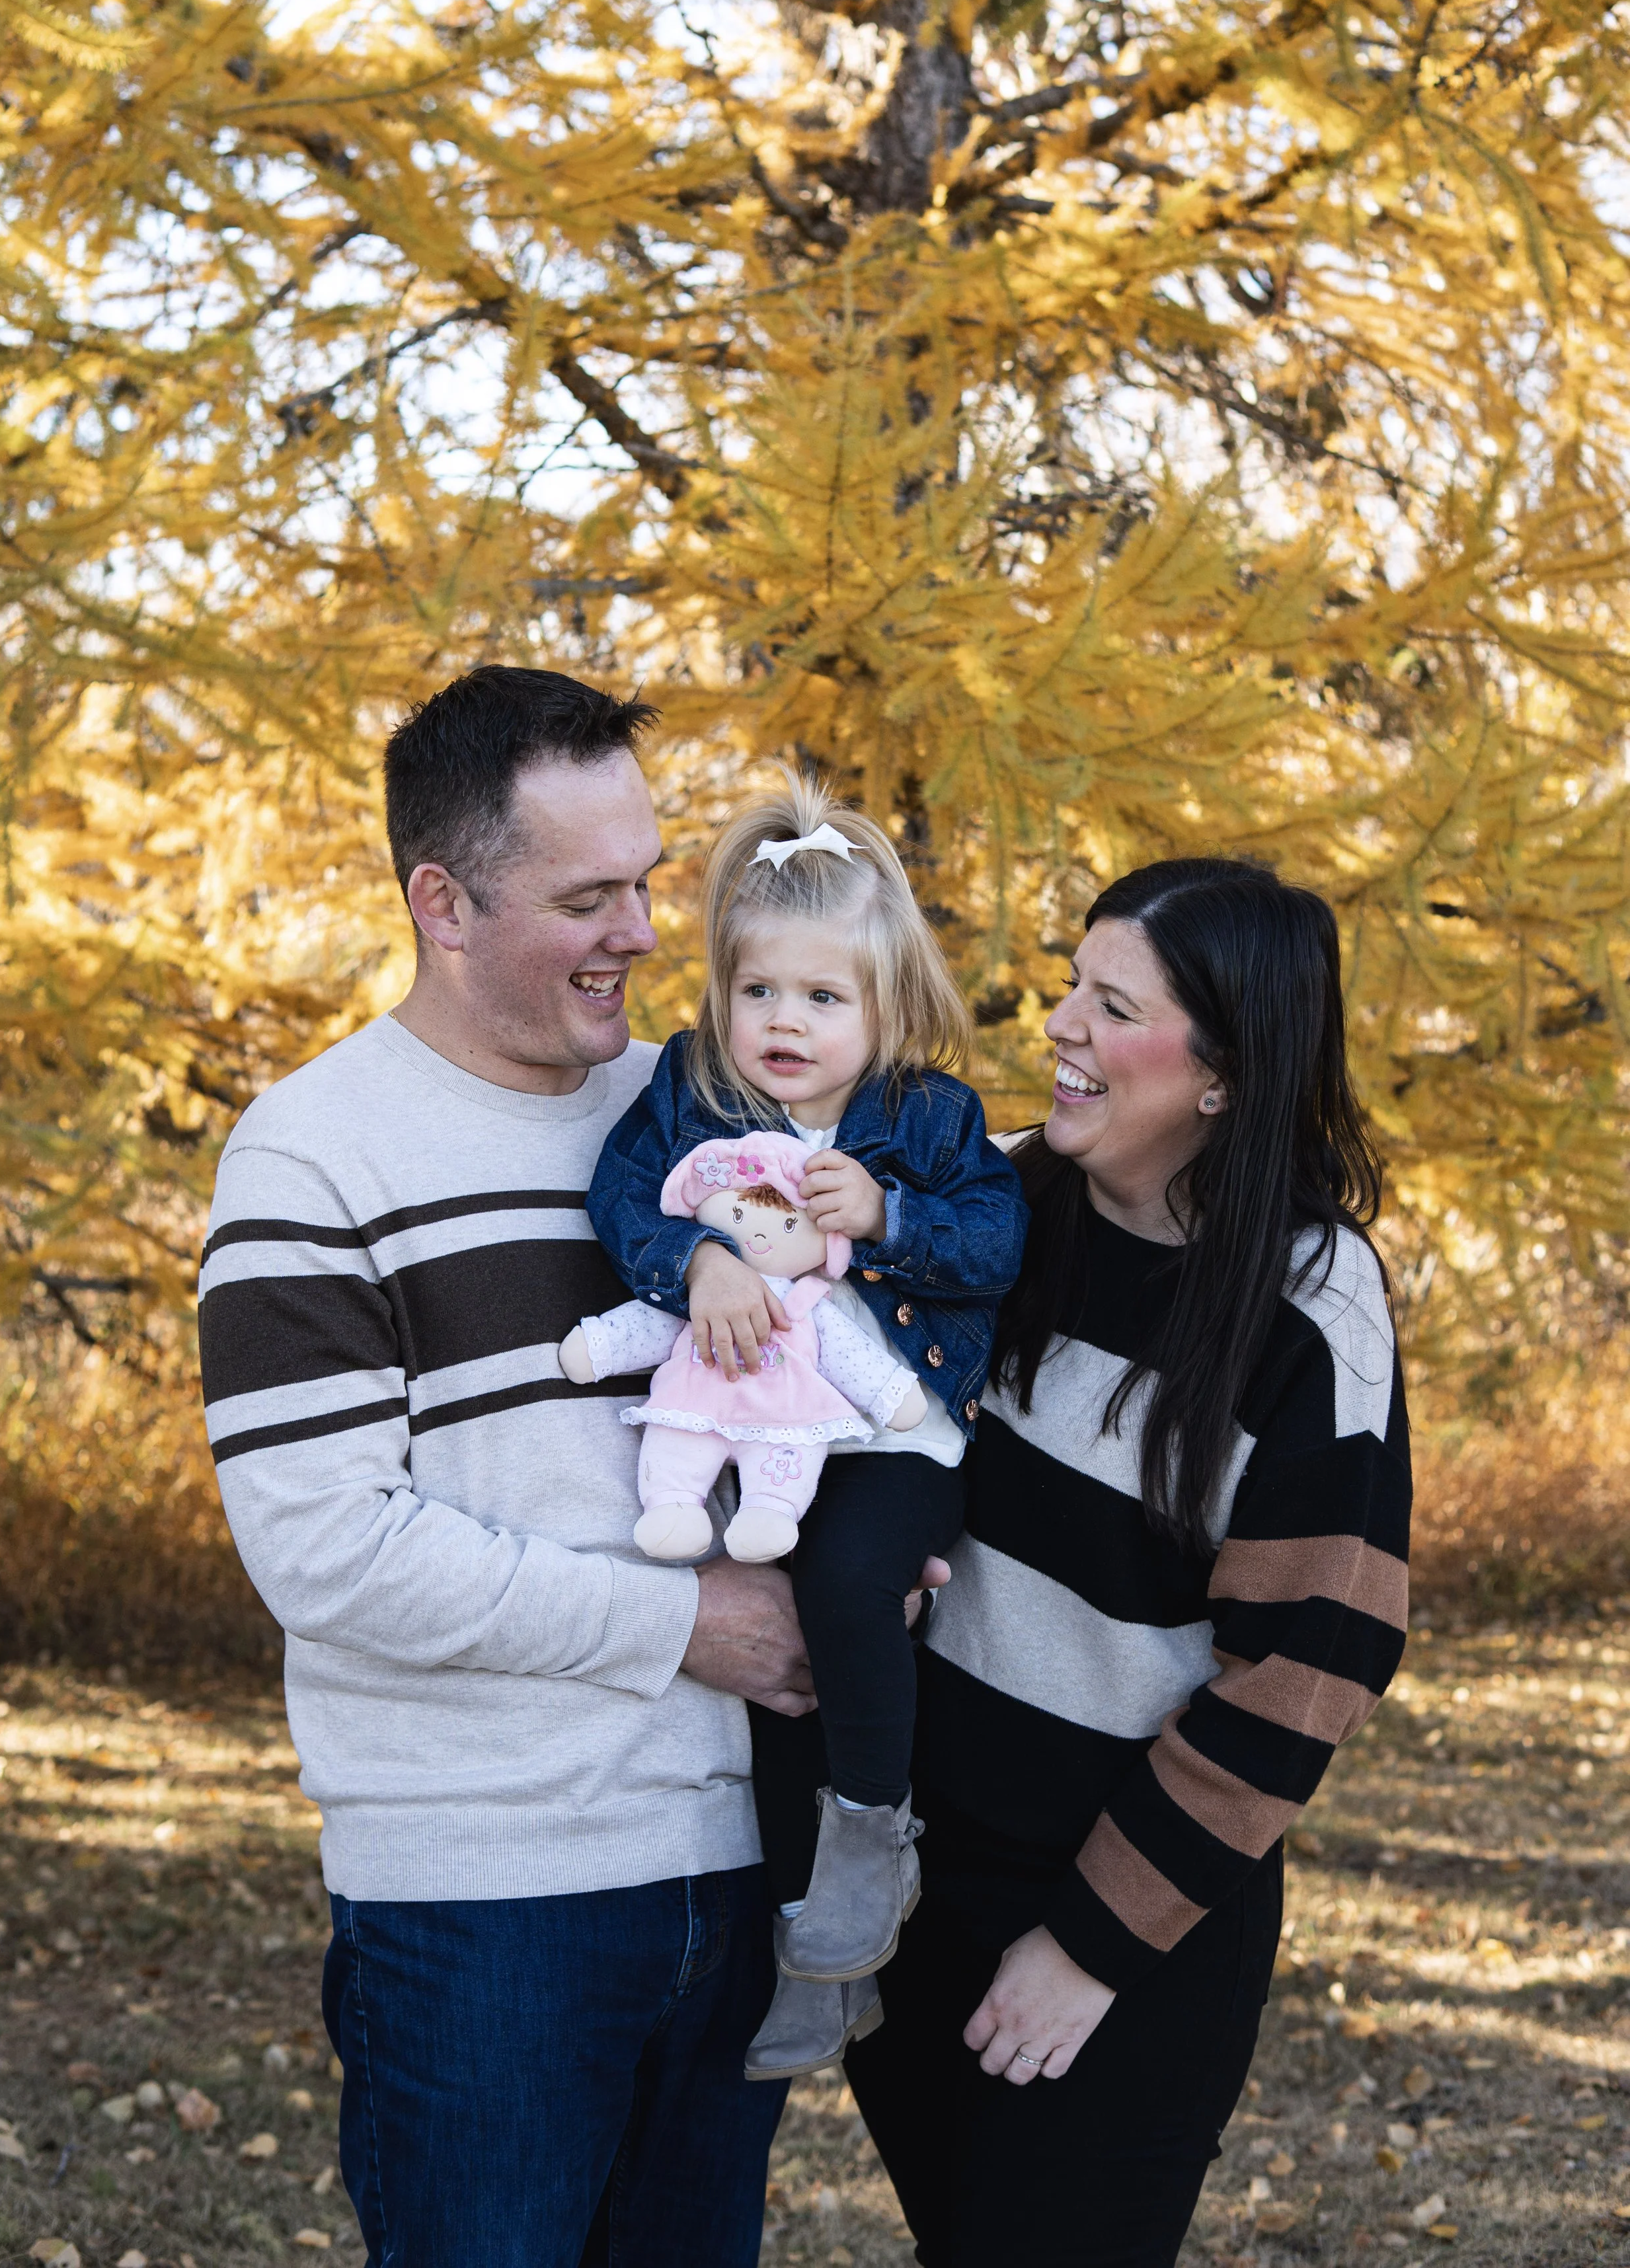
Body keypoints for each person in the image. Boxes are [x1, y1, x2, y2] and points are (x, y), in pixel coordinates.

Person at [196, 667, 821, 2268]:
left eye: (647, 883)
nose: (638, 931)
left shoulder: (699, 1114)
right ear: (442, 902)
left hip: (730, 1866)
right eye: (586, 896)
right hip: (488, 1908)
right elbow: (331, 1550)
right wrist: (682, 1626)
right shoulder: (314, 1154)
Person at [843, 855, 1413, 2267]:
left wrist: (1088, 1944)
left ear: (1220, 1076)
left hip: (1126, 1924)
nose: (1058, 1027)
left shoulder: (1309, 1306)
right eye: (1066, 987)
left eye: (1111, 1005)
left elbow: (1306, 1666)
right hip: (915, 1887)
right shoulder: (1001, 1214)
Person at [582, 775, 1027, 2080]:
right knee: (767, 1663)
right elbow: (621, 1199)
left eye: (822, 999)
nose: (783, 1022)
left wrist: (888, 1217)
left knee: (844, 1593)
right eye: (757, 991)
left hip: (891, 1433)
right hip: (752, 1428)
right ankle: (817, 1958)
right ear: (721, 992)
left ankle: (869, 1840)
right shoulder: (691, 1089)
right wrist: (692, 1264)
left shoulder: (926, 1117)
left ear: (883, 1010)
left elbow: (996, 1241)